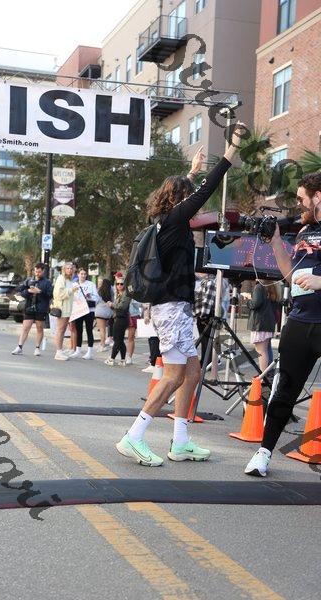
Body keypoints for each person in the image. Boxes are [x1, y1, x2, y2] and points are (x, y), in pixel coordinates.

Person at [116, 124, 246, 467]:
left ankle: (181, 441)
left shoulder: (165, 220)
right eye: (186, 198)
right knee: (174, 375)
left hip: (177, 308)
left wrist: (190, 173)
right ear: (180, 200)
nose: (194, 207)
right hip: (172, 309)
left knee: (192, 373)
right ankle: (133, 436)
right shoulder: (175, 220)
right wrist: (231, 149)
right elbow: (206, 190)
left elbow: (186, 193)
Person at [245, 172, 321, 477]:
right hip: (300, 321)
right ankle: (263, 454)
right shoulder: (304, 231)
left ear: (318, 197)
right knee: (284, 390)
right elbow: (291, 275)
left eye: (302, 198)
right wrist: (276, 241)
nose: (298, 204)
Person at [11, 263, 53, 356]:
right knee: (25, 328)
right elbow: (20, 290)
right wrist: (28, 291)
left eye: (39, 272)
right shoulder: (29, 280)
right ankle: (19, 347)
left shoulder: (47, 282)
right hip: (29, 307)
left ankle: (37, 348)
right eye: (36, 271)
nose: (37, 273)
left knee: (39, 328)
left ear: (43, 271)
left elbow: (50, 295)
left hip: (41, 308)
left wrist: (40, 292)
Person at [246, 280, 276, 373]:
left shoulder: (259, 287)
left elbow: (255, 304)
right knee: (265, 350)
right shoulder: (272, 286)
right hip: (267, 322)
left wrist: (248, 299)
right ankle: (265, 374)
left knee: (261, 351)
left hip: (259, 323)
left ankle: (263, 376)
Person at [70, 268, 100, 359]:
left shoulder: (91, 284)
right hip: (79, 310)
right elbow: (72, 297)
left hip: (89, 310)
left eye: (84, 274)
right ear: (78, 274)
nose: (83, 276)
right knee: (79, 330)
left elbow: (97, 298)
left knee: (89, 330)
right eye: (81, 274)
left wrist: (90, 296)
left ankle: (89, 352)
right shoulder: (74, 285)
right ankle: (78, 350)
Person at [52, 263, 79, 361]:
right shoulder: (61, 278)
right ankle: (58, 352)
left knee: (63, 330)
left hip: (68, 308)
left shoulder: (70, 280)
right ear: (64, 269)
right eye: (68, 268)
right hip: (62, 308)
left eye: (71, 268)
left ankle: (60, 350)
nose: (70, 270)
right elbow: (59, 294)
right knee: (60, 330)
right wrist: (72, 290)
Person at [105, 277, 131, 366]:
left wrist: (112, 304)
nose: (119, 285)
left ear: (125, 285)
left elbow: (123, 306)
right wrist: (111, 305)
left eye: (121, 284)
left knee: (117, 340)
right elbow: (117, 307)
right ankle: (123, 360)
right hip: (118, 318)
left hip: (122, 319)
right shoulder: (119, 294)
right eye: (117, 284)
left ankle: (112, 359)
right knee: (120, 340)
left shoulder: (126, 294)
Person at [194, 273, 217, 369]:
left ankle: (207, 362)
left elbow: (208, 301)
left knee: (207, 341)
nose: (198, 273)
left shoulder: (210, 283)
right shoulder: (204, 282)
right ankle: (205, 360)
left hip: (206, 315)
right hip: (201, 314)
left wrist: (203, 316)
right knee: (204, 340)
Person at [95, 278, 114, 352]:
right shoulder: (111, 291)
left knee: (102, 330)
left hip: (99, 311)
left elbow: (96, 301)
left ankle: (102, 345)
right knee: (105, 329)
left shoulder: (99, 291)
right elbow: (113, 300)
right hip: (108, 312)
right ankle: (103, 343)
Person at [142, 303, 161, 374]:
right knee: (153, 340)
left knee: (154, 341)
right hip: (155, 317)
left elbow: (146, 306)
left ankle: (154, 364)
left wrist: (146, 315)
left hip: (157, 317)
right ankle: (156, 363)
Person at [126, 298, 142, 365]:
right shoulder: (118, 294)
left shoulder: (133, 294)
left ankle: (129, 357)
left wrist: (132, 299)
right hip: (122, 315)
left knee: (130, 337)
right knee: (118, 337)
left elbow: (138, 304)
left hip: (133, 315)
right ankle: (116, 356)